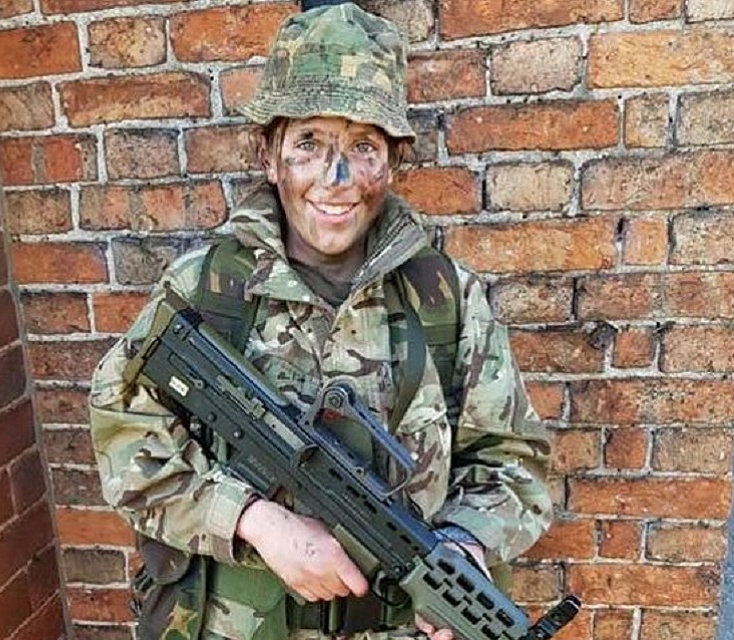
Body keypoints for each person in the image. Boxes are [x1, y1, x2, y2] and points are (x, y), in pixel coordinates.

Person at [89, 2, 553, 639]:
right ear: (269, 155)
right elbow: (124, 435)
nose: (336, 180)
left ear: (392, 162)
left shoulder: (446, 300)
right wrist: (254, 520)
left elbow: (513, 460)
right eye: (309, 143)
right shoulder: (207, 289)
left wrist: (465, 548)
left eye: (363, 147)